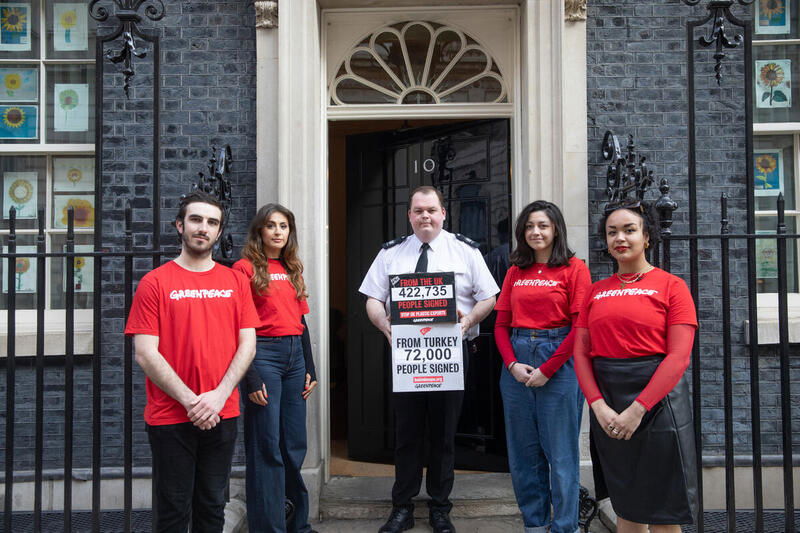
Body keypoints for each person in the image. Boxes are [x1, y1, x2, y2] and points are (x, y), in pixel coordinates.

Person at [359, 185, 499, 533]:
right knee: (407, 434)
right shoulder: (392, 254)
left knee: (443, 434)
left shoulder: (464, 251)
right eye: (418, 210)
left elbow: (490, 297)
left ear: (443, 213)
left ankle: (440, 507)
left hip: (451, 355)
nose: (425, 216)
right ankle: (402, 508)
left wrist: (467, 321)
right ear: (409, 215)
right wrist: (383, 324)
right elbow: (373, 299)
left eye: (431, 210)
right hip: (406, 356)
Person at [125, 190, 259, 532]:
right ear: (180, 225)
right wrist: (191, 400)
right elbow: (145, 352)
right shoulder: (155, 283)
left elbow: (247, 344)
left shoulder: (235, 282)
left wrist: (217, 396)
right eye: (196, 220)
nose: (204, 228)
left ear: (219, 231)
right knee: (172, 511)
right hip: (170, 416)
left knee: (212, 508)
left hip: (221, 412)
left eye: (212, 222)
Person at [573, 203, 698, 533]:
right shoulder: (595, 292)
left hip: (658, 403)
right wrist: (597, 406)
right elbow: (581, 353)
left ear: (647, 237)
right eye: (612, 232)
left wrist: (638, 409)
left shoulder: (672, 287)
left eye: (629, 230)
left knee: (664, 513)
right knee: (627, 508)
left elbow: (678, 357)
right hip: (609, 402)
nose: (620, 238)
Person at [494, 200, 590, 533]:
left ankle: (564, 527)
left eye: (543, 226)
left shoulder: (575, 268)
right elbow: (500, 325)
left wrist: (548, 368)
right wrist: (511, 365)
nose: (536, 232)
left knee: (561, 456)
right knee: (524, 456)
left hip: (559, 361)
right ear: (522, 231)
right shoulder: (514, 272)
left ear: (556, 230)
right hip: (518, 360)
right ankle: (534, 525)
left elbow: (581, 328)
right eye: (530, 226)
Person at [233, 203, 318, 533]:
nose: (278, 231)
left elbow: (301, 321)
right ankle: (269, 528)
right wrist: (250, 377)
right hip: (263, 355)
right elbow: (239, 325)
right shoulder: (244, 269)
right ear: (259, 231)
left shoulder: (291, 266)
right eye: (271, 226)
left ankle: (298, 525)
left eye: (284, 226)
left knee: (294, 444)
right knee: (267, 444)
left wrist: (310, 368)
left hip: (295, 358)